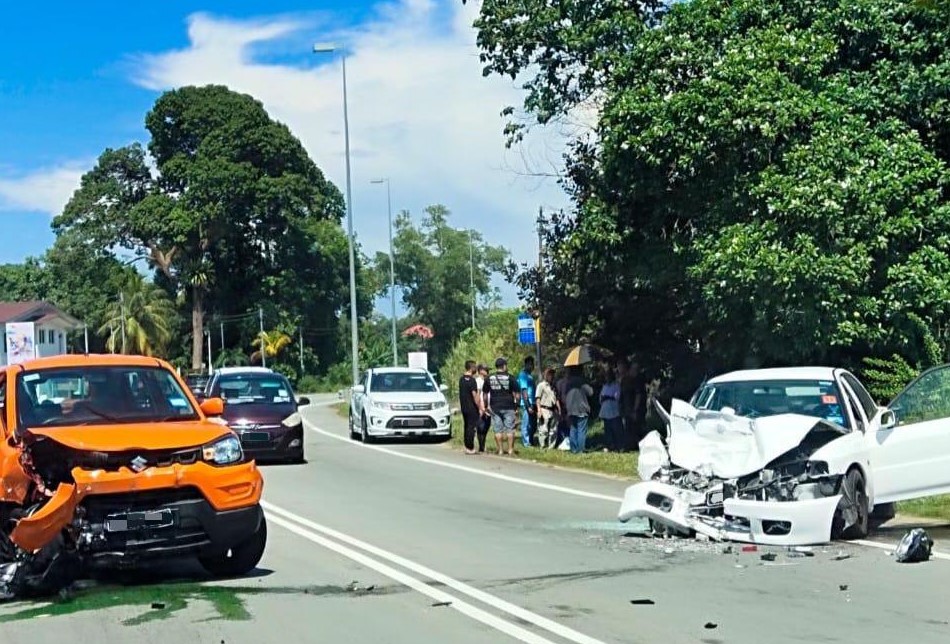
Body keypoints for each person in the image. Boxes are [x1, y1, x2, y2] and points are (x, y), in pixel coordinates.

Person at [487, 357, 520, 455]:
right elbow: (517, 394)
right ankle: (510, 450)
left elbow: (485, 393)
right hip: (509, 406)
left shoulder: (489, 378)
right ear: (504, 366)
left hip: (495, 407)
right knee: (510, 429)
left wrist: (486, 405)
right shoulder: (511, 377)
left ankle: (500, 450)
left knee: (498, 429)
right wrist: (516, 405)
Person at [562, 365, 594, 453]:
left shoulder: (568, 383)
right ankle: (580, 450)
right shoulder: (582, 382)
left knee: (573, 428)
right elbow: (590, 392)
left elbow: (564, 396)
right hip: (581, 408)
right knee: (581, 430)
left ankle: (573, 449)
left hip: (571, 409)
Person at [619, 358, 648, 449]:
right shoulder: (624, 380)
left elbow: (638, 395)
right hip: (627, 407)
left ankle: (639, 445)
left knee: (637, 427)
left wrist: (635, 409)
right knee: (628, 428)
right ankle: (630, 445)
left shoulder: (637, 380)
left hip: (635, 408)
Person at [458, 360, 481, 455]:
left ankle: (467, 446)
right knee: (471, 427)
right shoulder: (472, 380)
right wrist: (479, 406)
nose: (476, 369)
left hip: (464, 407)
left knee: (466, 426)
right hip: (472, 407)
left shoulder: (461, 379)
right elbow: (474, 395)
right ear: (471, 368)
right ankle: (470, 447)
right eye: (475, 367)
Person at [599, 361, 623, 452]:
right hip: (605, 411)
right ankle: (609, 445)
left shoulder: (616, 385)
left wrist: (608, 397)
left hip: (614, 411)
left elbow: (617, 397)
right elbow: (601, 398)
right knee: (607, 430)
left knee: (616, 429)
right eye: (606, 376)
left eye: (608, 376)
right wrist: (604, 398)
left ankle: (619, 446)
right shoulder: (604, 386)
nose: (607, 378)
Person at [535, 368, 560, 449]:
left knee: (553, 430)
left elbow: (556, 399)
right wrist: (539, 410)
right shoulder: (541, 385)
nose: (551, 376)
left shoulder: (553, 386)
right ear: (545, 375)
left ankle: (551, 446)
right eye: (549, 374)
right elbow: (538, 398)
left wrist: (559, 409)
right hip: (544, 409)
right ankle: (542, 445)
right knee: (543, 430)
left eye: (552, 374)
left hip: (553, 410)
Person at [517, 356, 537, 447]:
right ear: (526, 364)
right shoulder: (523, 375)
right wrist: (528, 405)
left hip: (532, 402)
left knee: (532, 424)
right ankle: (526, 443)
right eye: (530, 364)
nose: (532, 366)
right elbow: (524, 391)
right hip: (525, 403)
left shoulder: (530, 376)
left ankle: (531, 440)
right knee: (526, 423)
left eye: (533, 364)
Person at [474, 364, 491, 452]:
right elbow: (478, 395)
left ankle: (483, 445)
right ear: (480, 370)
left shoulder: (487, 380)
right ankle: (481, 446)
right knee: (480, 428)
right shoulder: (478, 381)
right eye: (486, 370)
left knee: (486, 427)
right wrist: (481, 407)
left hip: (488, 407)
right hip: (481, 407)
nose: (488, 372)